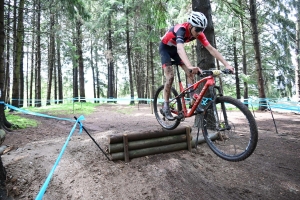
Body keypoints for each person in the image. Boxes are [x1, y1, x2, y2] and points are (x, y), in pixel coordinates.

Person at [159, 11, 234, 120]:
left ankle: (192, 102)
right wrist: (189, 66)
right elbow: (180, 49)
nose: (199, 32)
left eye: (202, 30)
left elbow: (211, 49)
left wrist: (227, 65)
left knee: (191, 74)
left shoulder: (198, 33)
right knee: (170, 77)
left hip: (175, 50)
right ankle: (165, 106)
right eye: (197, 29)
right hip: (165, 49)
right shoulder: (181, 29)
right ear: (190, 26)